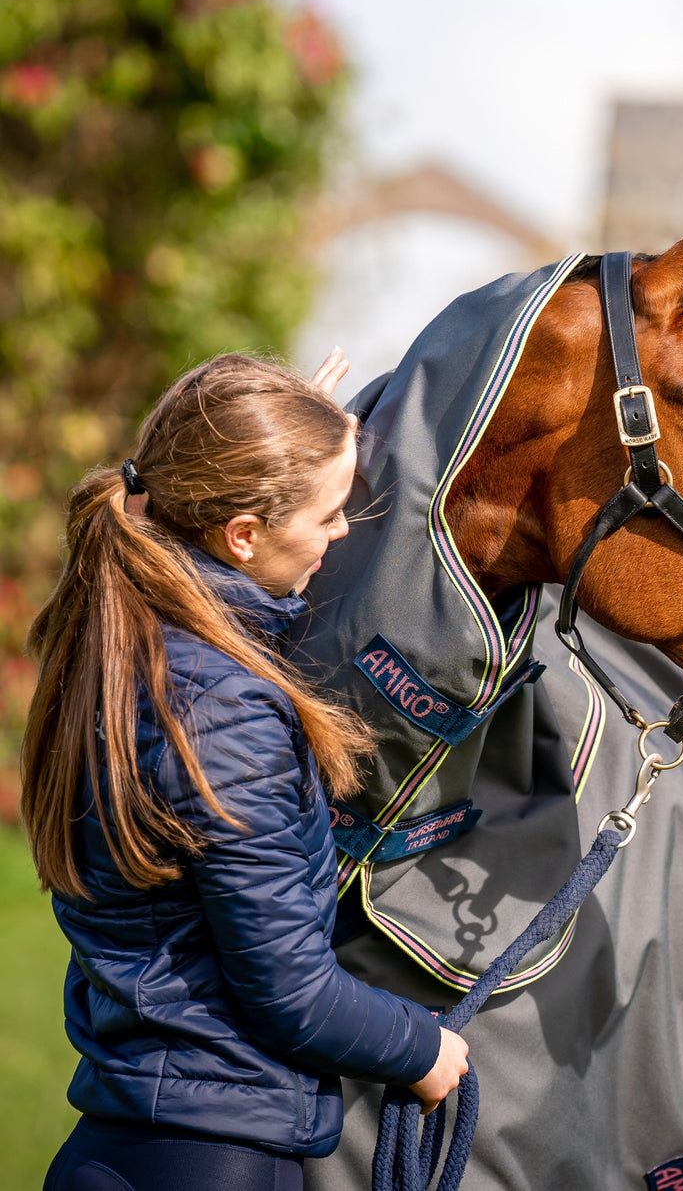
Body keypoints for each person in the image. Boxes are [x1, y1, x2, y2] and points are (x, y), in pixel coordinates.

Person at [21, 351, 469, 1191]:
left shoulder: (127, 641)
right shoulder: (221, 711)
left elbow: (188, 489)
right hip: (213, 1160)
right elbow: (290, 994)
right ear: (242, 535)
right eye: (331, 513)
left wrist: (282, 442)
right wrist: (424, 1049)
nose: (342, 535)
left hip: (128, 1143)